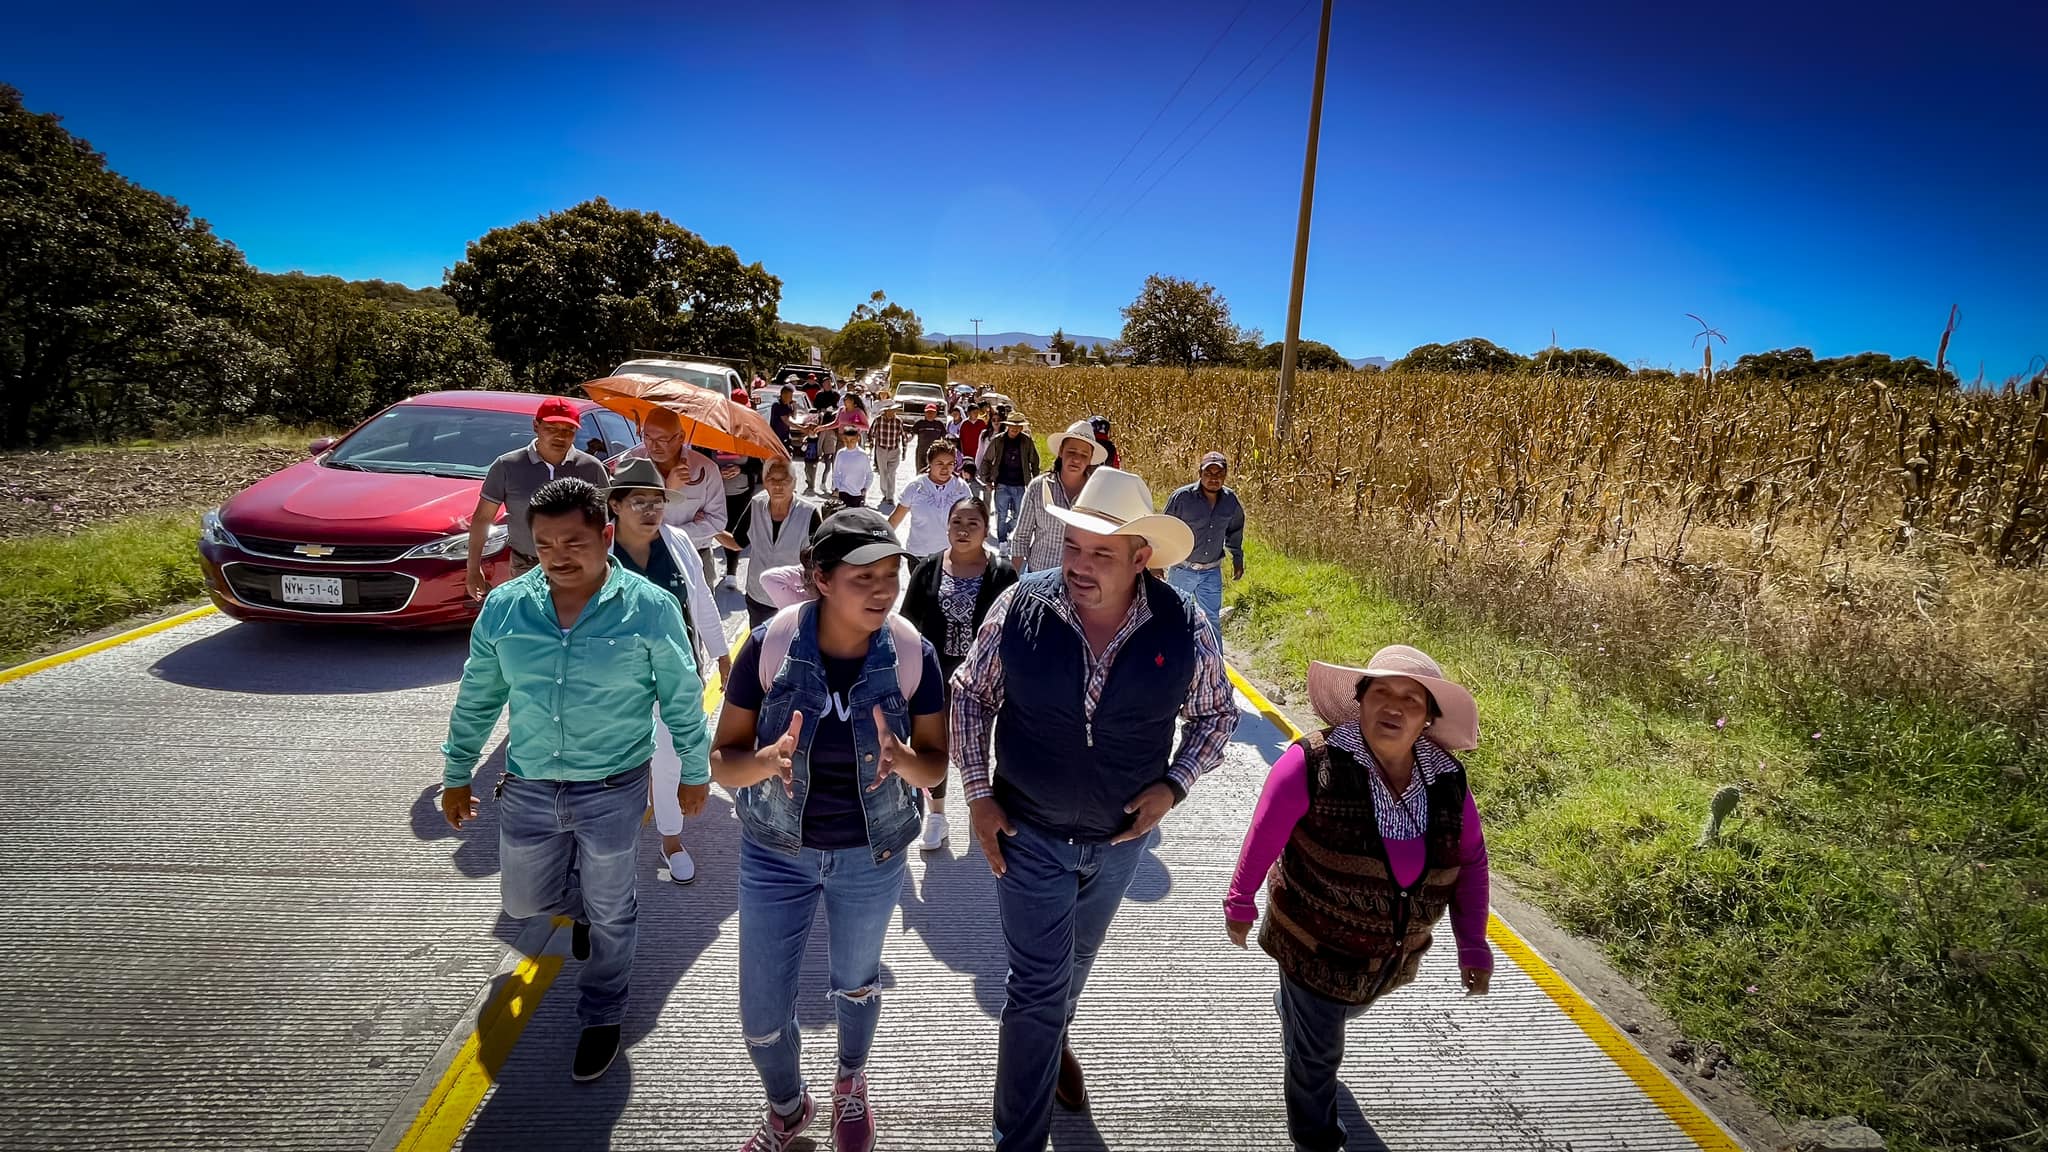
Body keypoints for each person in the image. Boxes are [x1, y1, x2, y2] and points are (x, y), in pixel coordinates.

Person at [950, 467, 1237, 1152]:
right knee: (1037, 987)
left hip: (1118, 845)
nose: (1078, 565)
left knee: (1074, 963)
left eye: (1100, 554)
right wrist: (978, 794)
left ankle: (1052, 1046)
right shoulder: (1019, 607)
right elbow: (968, 695)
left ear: (1142, 557)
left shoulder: (1185, 624)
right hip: (1028, 833)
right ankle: (1015, 1138)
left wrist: (1174, 785)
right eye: (1072, 546)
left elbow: (1217, 717)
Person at [440, 477, 710, 1082]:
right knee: (523, 901)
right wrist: (456, 773)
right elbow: (479, 696)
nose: (558, 555)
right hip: (530, 786)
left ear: (605, 536)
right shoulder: (507, 607)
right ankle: (588, 907)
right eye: (544, 543)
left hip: (613, 789)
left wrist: (693, 773)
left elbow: (682, 699)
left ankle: (602, 1011)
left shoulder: (648, 607)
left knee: (613, 911)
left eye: (573, 541)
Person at [710, 508, 950, 1152]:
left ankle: (850, 1081)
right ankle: (787, 1108)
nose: (882, 589)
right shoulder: (769, 646)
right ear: (819, 577)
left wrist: (904, 761)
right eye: (861, 576)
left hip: (870, 856)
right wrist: (762, 763)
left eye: (891, 574)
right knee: (760, 1015)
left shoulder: (910, 653)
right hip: (774, 853)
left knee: (856, 982)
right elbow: (722, 760)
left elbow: (935, 764)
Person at [1223, 646, 1492, 1152]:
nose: (1394, 706)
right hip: (1312, 947)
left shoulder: (1448, 781)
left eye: (1411, 699)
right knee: (1318, 1058)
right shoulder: (1315, 762)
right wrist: (1240, 899)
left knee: (1335, 1015)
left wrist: (1472, 943)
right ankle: (1316, 1139)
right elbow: (1265, 832)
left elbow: (1471, 861)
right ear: (1360, 700)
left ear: (1429, 717)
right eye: (1381, 692)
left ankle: (1296, 1014)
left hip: (1388, 960)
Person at [606, 458, 732, 886]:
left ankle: (671, 840)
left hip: (677, 678)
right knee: (614, 763)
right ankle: (603, 847)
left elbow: (702, 603)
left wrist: (722, 656)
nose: (650, 510)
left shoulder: (677, 543)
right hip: (615, 684)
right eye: (638, 501)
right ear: (616, 506)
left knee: (670, 761)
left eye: (657, 501)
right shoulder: (598, 553)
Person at [900, 496, 1017, 852]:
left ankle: (984, 804)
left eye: (973, 524)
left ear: (985, 530)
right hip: (935, 675)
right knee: (936, 744)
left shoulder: (1002, 573)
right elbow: (906, 624)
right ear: (947, 526)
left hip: (988, 677)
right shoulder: (928, 568)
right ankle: (936, 815)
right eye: (957, 523)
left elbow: (1014, 626)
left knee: (984, 742)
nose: (964, 531)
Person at [467, 396, 608, 598]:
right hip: (526, 567)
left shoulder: (591, 468)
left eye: (568, 431)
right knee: (527, 626)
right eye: (551, 428)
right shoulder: (507, 465)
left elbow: (605, 522)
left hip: (579, 569)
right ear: (536, 426)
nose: (560, 437)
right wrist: (473, 569)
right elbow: (482, 518)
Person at [622, 407, 729, 588]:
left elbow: (717, 520)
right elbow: (623, 516)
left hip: (694, 555)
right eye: (647, 437)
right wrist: (666, 491)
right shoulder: (631, 463)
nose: (653, 446)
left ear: (681, 437)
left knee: (697, 615)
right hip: (643, 556)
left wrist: (671, 535)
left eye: (662, 439)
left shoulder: (705, 469)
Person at [716, 457, 824, 628]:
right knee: (759, 645)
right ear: (765, 482)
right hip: (758, 597)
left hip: (794, 598)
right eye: (772, 479)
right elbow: (737, 543)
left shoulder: (808, 512)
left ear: (794, 483)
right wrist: (712, 528)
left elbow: (820, 557)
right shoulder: (756, 504)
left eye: (785, 480)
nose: (778, 485)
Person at [1162, 451, 1246, 646]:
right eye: (1209, 472)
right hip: (1182, 568)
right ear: (1200, 473)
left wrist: (1237, 559)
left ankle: (1215, 670)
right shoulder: (1182, 497)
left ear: (1225, 475)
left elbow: (1235, 531)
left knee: (1211, 621)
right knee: (1174, 618)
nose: (1214, 478)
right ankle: (1170, 667)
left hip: (1211, 571)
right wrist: (1157, 562)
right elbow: (1165, 528)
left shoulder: (1230, 501)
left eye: (1219, 473)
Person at [1008, 420, 1104, 573]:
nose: (1076, 459)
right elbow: (1021, 537)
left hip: (1079, 579)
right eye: (1071, 452)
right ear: (1061, 451)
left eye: (1084, 455)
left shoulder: (1098, 494)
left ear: (1091, 458)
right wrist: (1015, 583)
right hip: (1039, 577)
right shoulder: (1039, 487)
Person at [887, 440, 973, 561]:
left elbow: (972, 521)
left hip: (951, 556)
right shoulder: (916, 486)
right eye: (939, 463)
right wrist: (880, 541)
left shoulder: (961, 488)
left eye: (950, 464)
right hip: (918, 555)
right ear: (930, 463)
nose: (945, 468)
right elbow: (895, 518)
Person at [978, 414, 1039, 544]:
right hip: (1002, 483)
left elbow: (1034, 461)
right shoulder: (998, 440)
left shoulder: (1026, 441)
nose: (1015, 429)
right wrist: (986, 479)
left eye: (1018, 427)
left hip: (1020, 483)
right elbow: (987, 460)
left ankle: (1006, 530)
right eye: (1013, 426)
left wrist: (1035, 481)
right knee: (1001, 515)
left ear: (1021, 428)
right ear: (1007, 426)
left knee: (1019, 516)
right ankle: (1002, 541)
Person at [719, 452, 758, 587]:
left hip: (741, 494)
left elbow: (758, 466)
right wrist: (717, 471)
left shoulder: (745, 441)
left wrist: (740, 469)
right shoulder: (708, 442)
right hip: (715, 493)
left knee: (733, 532)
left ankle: (731, 572)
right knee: (722, 528)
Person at [866, 398, 906, 507]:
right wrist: (870, 443)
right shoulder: (878, 420)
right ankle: (885, 492)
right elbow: (871, 433)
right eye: (890, 410)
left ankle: (890, 496)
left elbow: (903, 436)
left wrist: (904, 451)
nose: (892, 413)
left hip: (894, 450)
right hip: (881, 449)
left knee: (891, 474)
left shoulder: (898, 421)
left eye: (893, 410)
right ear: (885, 411)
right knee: (883, 473)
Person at [829, 422, 873, 510]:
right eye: (846, 440)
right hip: (843, 491)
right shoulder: (840, 453)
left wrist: (865, 488)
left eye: (852, 440)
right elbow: (836, 473)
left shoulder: (862, 455)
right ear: (843, 439)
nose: (849, 443)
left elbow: (869, 474)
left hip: (858, 493)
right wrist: (837, 487)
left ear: (857, 438)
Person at [909, 403, 949, 473]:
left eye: (932, 412)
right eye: (928, 412)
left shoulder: (939, 424)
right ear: (925, 413)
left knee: (934, 472)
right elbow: (911, 434)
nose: (930, 414)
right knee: (920, 473)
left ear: (936, 413)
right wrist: (907, 438)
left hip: (935, 453)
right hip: (921, 453)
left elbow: (945, 438)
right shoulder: (920, 423)